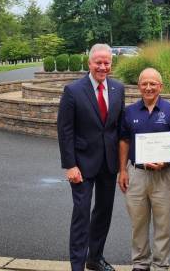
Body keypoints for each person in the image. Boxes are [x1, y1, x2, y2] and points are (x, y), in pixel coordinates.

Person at [57, 44, 125, 271]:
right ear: (89, 63)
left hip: (108, 163)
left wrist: (123, 164)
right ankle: (77, 266)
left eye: (107, 63)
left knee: (103, 213)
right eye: (98, 62)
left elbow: (118, 128)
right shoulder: (73, 90)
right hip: (82, 165)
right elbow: (65, 130)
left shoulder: (118, 89)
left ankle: (95, 258)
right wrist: (70, 165)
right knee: (81, 215)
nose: (103, 67)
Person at [118, 68, 170, 271]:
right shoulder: (129, 112)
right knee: (138, 223)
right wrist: (122, 170)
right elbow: (123, 141)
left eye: (153, 84)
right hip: (137, 174)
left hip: (163, 175)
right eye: (144, 83)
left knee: (163, 223)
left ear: (161, 86)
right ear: (139, 86)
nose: (148, 87)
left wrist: (167, 160)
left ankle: (160, 265)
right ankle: (140, 263)